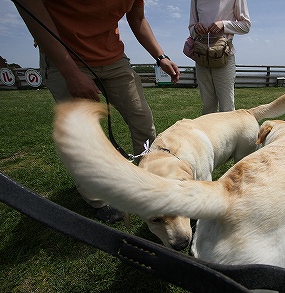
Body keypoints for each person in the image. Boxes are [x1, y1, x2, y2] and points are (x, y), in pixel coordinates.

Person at [14, 0, 181, 223]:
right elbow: (33, 13)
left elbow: (137, 17)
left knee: (143, 122)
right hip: (65, 58)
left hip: (113, 58)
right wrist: (70, 73)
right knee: (82, 134)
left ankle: (149, 179)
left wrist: (160, 56)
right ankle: (98, 199)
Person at [188, 0, 250, 114]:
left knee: (227, 108)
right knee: (208, 106)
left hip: (224, 57)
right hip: (202, 56)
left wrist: (224, 24)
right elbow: (191, 28)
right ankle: (210, 131)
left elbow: (246, 26)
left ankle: (229, 132)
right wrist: (195, 29)